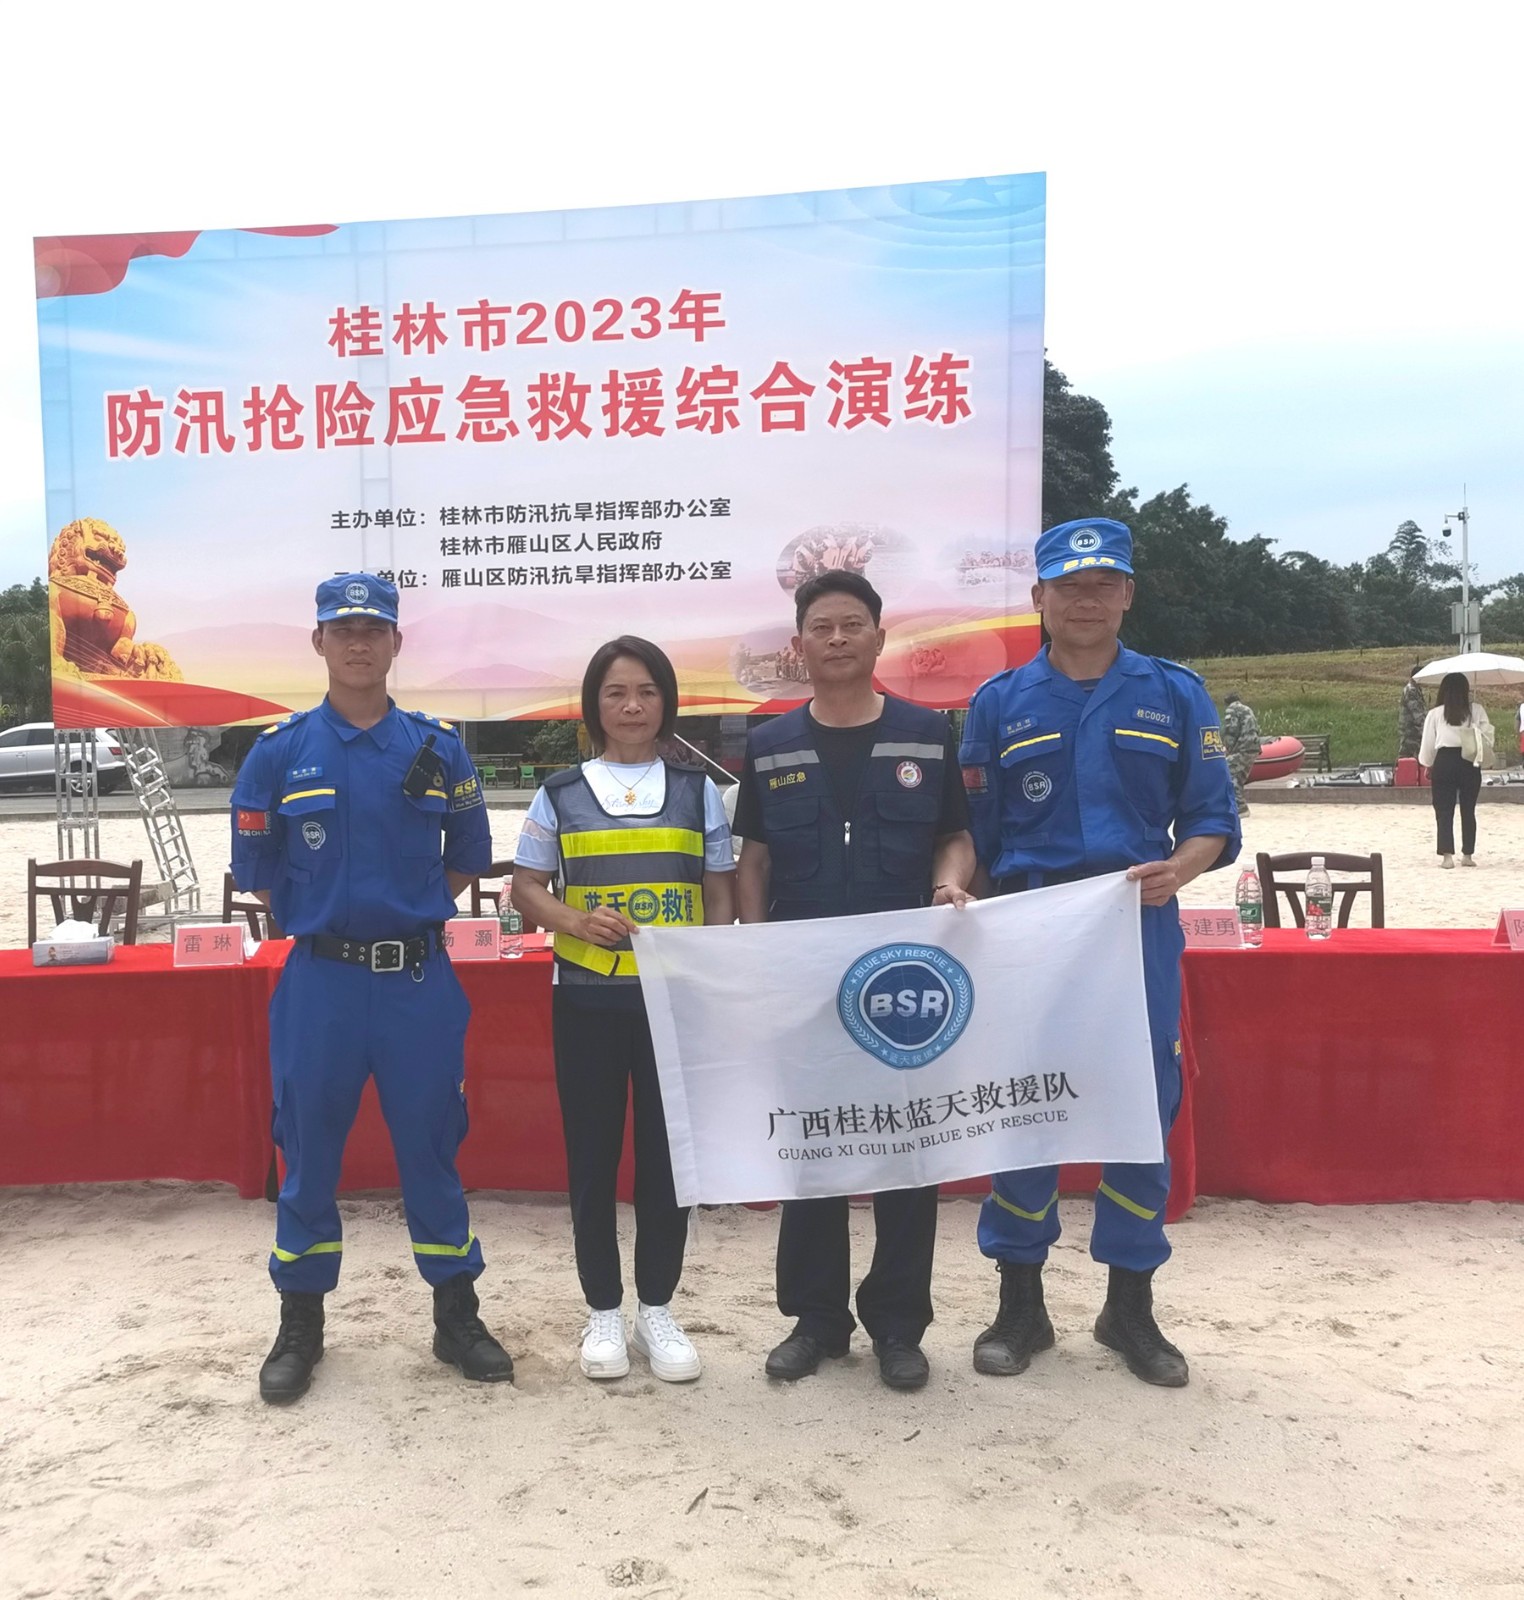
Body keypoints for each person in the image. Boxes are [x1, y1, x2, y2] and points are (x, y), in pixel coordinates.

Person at [959, 518, 1239, 1388]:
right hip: (1030, 931)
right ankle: (1021, 1303)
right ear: (1038, 597)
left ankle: (1130, 1306)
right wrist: (965, 900)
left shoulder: (1176, 695)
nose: (1086, 600)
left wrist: (1180, 869)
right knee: (1023, 1101)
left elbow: (1213, 819)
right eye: (1068, 586)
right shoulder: (999, 702)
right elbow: (973, 833)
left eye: (1103, 584)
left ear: (1127, 594)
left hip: (1134, 926)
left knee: (1140, 1103)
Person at [231, 573, 512, 1404]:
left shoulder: (438, 748)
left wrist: (405, 916)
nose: (359, 642)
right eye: (343, 628)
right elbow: (260, 874)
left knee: (432, 1147)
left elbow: (466, 857)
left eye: (373, 629)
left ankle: (456, 1315)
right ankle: (301, 1323)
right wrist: (335, 923)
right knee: (307, 1150)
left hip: (416, 983)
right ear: (318, 641)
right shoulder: (278, 751)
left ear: (396, 641)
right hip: (321, 983)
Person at [733, 570, 976, 1392]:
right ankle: (816, 1320)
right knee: (813, 1148)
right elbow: (754, 860)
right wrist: (759, 955)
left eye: (851, 625)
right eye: (821, 627)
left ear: (879, 636)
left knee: (907, 1150)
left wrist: (948, 884)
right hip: (803, 981)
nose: (836, 639)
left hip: (901, 982)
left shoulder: (926, 733)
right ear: (797, 645)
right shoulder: (769, 742)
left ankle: (899, 1326)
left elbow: (954, 837)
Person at [510, 637, 736, 1383]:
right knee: (592, 1157)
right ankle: (603, 1310)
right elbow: (526, 888)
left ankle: (656, 1308)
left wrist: (708, 970)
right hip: (587, 1000)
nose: (632, 706)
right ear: (594, 705)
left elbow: (719, 890)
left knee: (668, 1162)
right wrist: (575, 921)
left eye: (646, 691)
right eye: (616, 693)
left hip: (673, 1003)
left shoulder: (699, 792)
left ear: (666, 701)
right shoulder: (560, 792)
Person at [1418, 671, 1494, 867]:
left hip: (1444, 761)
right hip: (1469, 761)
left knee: (1444, 809)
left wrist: (1428, 764)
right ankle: (1467, 855)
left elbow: (1428, 744)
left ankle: (1447, 857)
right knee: (1468, 809)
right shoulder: (1476, 710)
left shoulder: (1435, 714)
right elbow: (1488, 738)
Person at [1221, 692, 1260, 815]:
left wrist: (1228, 749)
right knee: (1239, 776)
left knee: (1229, 772)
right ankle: (1239, 805)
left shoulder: (1232, 710)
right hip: (1253, 746)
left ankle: (1240, 807)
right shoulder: (1247, 709)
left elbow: (1231, 731)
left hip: (1242, 747)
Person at [1399, 667, 1426, 762]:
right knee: (1408, 761)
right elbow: (1418, 715)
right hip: (1411, 734)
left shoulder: (1416, 689)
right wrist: (1427, 730)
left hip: (1414, 733)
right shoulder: (1411, 691)